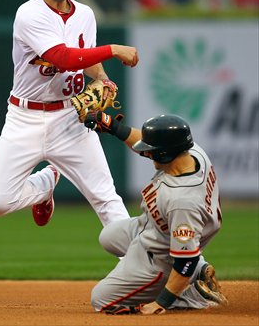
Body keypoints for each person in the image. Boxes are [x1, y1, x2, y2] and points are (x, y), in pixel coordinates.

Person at [0, 0, 139, 228]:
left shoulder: (85, 14)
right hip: (25, 117)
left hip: (70, 116)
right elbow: (64, 59)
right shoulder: (29, 13)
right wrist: (113, 49)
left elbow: (86, 57)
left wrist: (102, 78)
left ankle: (138, 264)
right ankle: (45, 185)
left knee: (105, 197)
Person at [84, 111, 228, 315]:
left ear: (165, 154)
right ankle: (201, 270)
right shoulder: (190, 152)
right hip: (153, 228)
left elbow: (185, 260)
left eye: (151, 151)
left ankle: (193, 296)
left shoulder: (182, 202)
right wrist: (113, 127)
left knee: (100, 299)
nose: (147, 153)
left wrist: (163, 301)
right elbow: (145, 143)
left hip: (161, 256)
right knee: (107, 237)